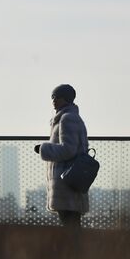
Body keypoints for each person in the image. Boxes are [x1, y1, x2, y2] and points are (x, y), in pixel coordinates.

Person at [34, 84, 89, 228]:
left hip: (67, 184)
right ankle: (76, 251)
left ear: (65, 98)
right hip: (69, 184)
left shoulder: (67, 118)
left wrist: (43, 149)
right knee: (71, 226)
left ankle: (76, 251)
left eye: (56, 97)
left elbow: (68, 149)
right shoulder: (68, 117)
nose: (53, 100)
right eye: (52, 97)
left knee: (71, 227)